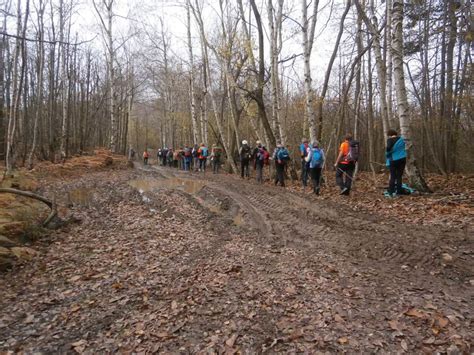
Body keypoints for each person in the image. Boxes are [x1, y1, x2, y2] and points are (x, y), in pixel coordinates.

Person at [385, 129, 407, 197]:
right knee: (399, 176)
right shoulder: (402, 139)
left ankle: (391, 192)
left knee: (393, 176)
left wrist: (388, 151)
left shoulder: (390, 140)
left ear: (389, 135)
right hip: (402, 158)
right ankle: (399, 191)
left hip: (394, 159)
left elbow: (388, 148)